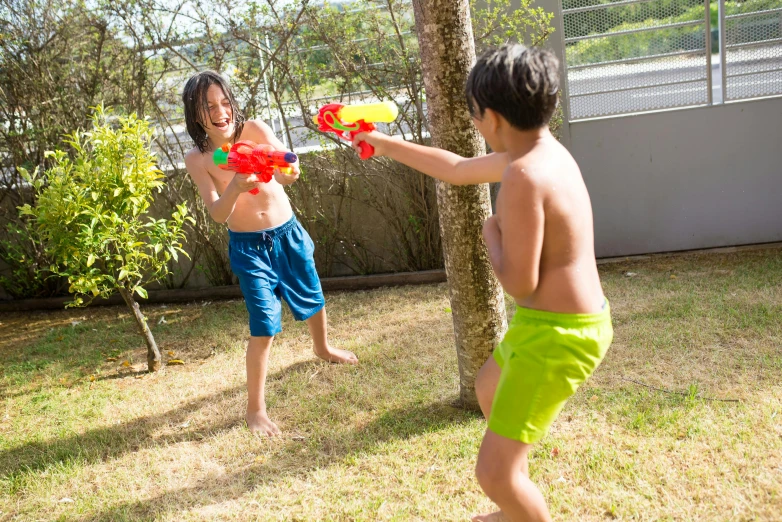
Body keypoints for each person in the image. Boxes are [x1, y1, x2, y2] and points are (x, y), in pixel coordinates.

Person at [352, 45, 613, 521]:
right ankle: (515, 493)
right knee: (488, 385)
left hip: (559, 337)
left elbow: (518, 280)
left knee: (492, 475)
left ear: (491, 118)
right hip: (553, 324)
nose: (476, 125)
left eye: (474, 116)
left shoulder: (523, 176)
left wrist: (490, 233)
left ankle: (514, 497)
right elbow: (456, 169)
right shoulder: (543, 154)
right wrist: (384, 143)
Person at [182, 71, 358, 437]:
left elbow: (288, 170)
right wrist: (235, 186)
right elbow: (217, 214)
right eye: (209, 106)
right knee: (264, 323)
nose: (220, 111)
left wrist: (288, 170)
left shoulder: (256, 130)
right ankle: (256, 410)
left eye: (225, 102)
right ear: (194, 114)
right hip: (248, 248)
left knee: (312, 294)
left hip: (288, 233)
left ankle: (322, 347)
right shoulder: (198, 159)